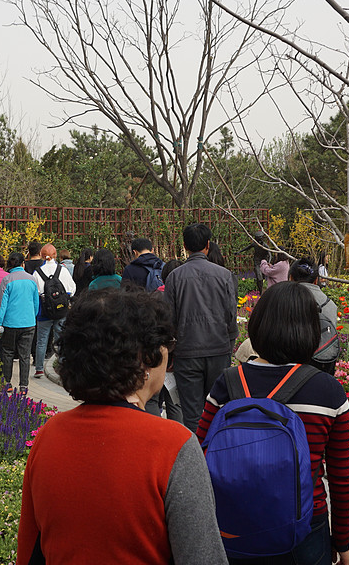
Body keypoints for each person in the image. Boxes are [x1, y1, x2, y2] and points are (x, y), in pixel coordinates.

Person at [18, 288, 227, 565]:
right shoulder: (174, 445)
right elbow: (203, 556)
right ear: (146, 358)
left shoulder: (48, 435)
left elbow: (30, 550)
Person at [197, 281, 349, 565]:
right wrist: (342, 540)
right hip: (305, 525)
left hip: (233, 525)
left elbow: (197, 455)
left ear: (258, 325)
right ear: (312, 331)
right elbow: (342, 477)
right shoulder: (328, 391)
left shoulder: (228, 383)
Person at [163, 223, 238, 431]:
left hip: (187, 354)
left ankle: (197, 459)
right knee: (218, 410)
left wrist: (170, 353)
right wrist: (229, 343)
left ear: (185, 246)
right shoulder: (224, 275)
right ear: (207, 245)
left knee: (192, 413)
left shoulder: (175, 277)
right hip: (218, 350)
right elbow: (231, 315)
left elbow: (169, 320)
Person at [237, 258, 337, 363]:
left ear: (290, 277)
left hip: (280, 359)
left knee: (246, 348)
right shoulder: (330, 305)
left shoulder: (277, 296)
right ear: (316, 280)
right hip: (322, 360)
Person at [0, 252, 39, 394]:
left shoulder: (7, 280)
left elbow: (2, 304)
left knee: (7, 352)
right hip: (29, 323)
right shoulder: (32, 280)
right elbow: (36, 303)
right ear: (23, 264)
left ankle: (7, 383)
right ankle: (24, 386)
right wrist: (32, 316)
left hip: (10, 323)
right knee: (25, 355)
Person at [146, 258, 183, 421]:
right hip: (178, 357)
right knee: (174, 402)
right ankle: (177, 441)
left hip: (156, 354)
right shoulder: (184, 297)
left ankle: (154, 435)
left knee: (152, 400)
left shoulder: (154, 297)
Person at [32, 243, 77, 378]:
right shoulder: (62, 270)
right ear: (55, 255)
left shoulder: (37, 272)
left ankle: (39, 368)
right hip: (61, 310)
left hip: (44, 311)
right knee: (61, 338)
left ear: (41, 255)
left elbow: (35, 293)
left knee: (42, 340)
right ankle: (62, 365)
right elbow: (72, 289)